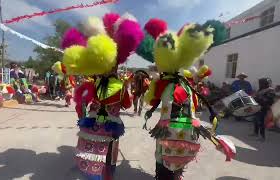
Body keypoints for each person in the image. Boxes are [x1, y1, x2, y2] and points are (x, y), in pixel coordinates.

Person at [143, 22, 236, 180]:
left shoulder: (163, 83)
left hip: (168, 129)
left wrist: (153, 84)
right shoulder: (188, 85)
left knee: (161, 157)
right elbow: (196, 105)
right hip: (189, 130)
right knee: (179, 160)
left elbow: (152, 101)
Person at [62, 18, 134, 179]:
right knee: (108, 158)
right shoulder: (121, 87)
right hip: (111, 128)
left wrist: (82, 116)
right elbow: (128, 105)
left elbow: (80, 104)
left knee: (89, 154)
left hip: (91, 126)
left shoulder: (93, 84)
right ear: (116, 66)